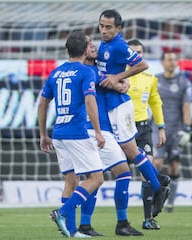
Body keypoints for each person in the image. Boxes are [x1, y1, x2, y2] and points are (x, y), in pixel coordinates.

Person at [97, 9, 170, 218]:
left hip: (120, 107)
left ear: (118, 28)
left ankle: (158, 186)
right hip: (112, 105)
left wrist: (119, 76)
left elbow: (142, 64)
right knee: (129, 156)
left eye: (108, 27)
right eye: (101, 26)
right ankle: (159, 183)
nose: (104, 30)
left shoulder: (119, 45)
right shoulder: (105, 44)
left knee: (131, 152)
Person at [37, 31, 105, 238]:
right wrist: (99, 131)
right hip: (76, 132)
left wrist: (43, 134)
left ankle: (72, 231)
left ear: (67, 50)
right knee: (96, 178)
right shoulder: (86, 72)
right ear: (86, 51)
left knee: (71, 181)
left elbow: (42, 103)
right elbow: (90, 100)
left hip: (58, 133)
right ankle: (63, 213)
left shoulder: (55, 73)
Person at [78, 36, 143, 237]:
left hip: (89, 131)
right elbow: (115, 84)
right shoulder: (89, 71)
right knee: (120, 173)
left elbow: (113, 80)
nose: (93, 46)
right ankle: (119, 223)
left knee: (95, 178)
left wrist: (123, 81)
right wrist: (121, 84)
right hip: (97, 131)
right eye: (89, 45)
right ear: (82, 51)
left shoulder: (88, 69)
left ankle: (85, 225)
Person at [126, 38, 169, 230]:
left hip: (143, 129)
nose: (136, 55)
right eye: (133, 52)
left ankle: (148, 219)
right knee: (119, 173)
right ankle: (160, 180)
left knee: (146, 171)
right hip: (123, 129)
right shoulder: (119, 76)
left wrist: (161, 127)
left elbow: (155, 102)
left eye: (140, 52)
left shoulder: (150, 78)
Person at [153, 50, 192, 213]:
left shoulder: (184, 82)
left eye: (175, 60)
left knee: (174, 166)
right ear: (162, 62)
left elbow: (186, 106)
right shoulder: (154, 80)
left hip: (176, 130)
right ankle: (155, 197)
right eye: (169, 59)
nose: (172, 62)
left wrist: (187, 128)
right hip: (158, 127)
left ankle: (170, 203)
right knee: (156, 163)